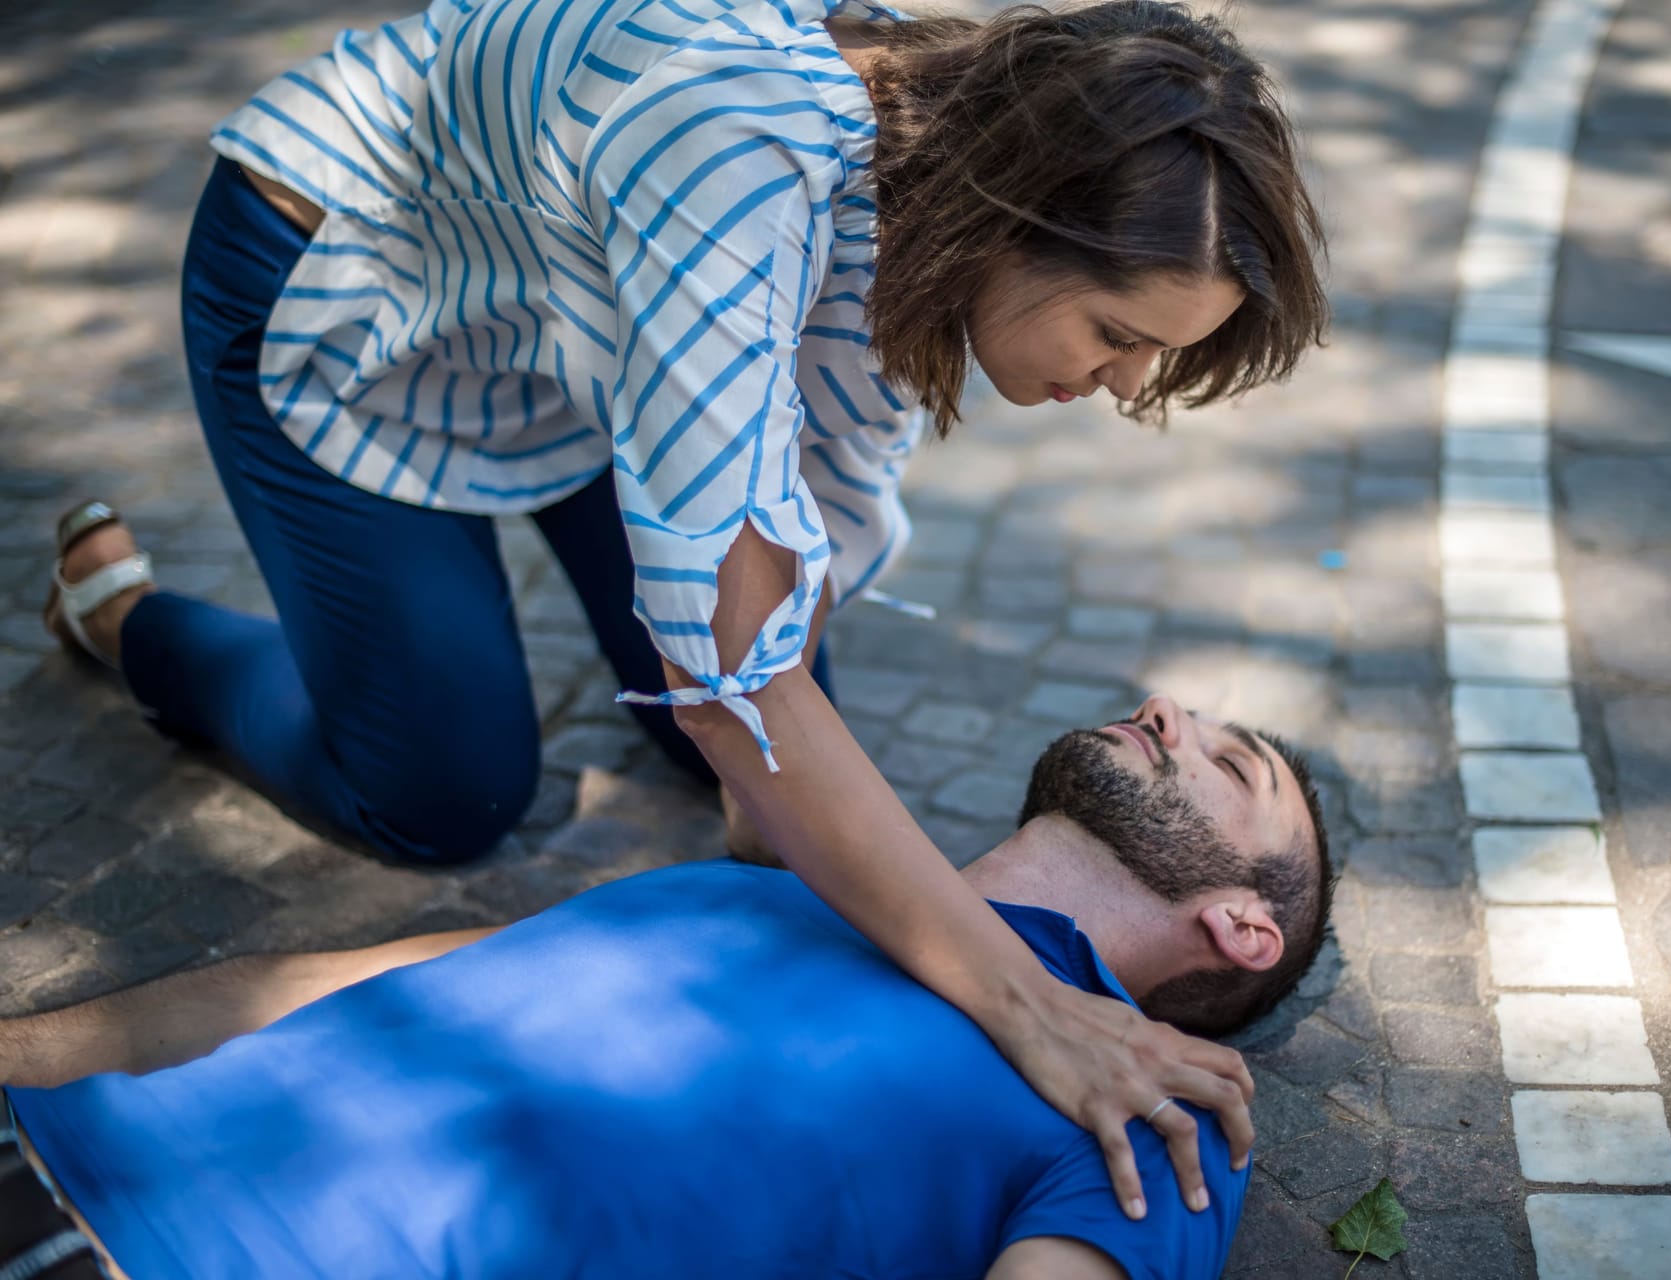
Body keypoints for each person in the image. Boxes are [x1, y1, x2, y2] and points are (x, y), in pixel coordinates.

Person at [36, 0, 1328, 1214]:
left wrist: (798, 868)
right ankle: (125, 619)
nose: (1126, 382)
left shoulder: (925, 190)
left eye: (1161, 354)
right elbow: (734, 681)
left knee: (763, 760)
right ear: (1013, 213)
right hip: (344, 276)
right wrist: (1022, 1006)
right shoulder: (738, 142)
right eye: (1119, 330)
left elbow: (790, 553)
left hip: (583, 319)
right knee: (442, 797)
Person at [0, 695, 1333, 1280]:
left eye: (1233, 766)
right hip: (52, 1158)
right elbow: (325, 991)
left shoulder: (1162, 1108)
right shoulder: (786, 877)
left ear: (1241, 927)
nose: (1169, 711)